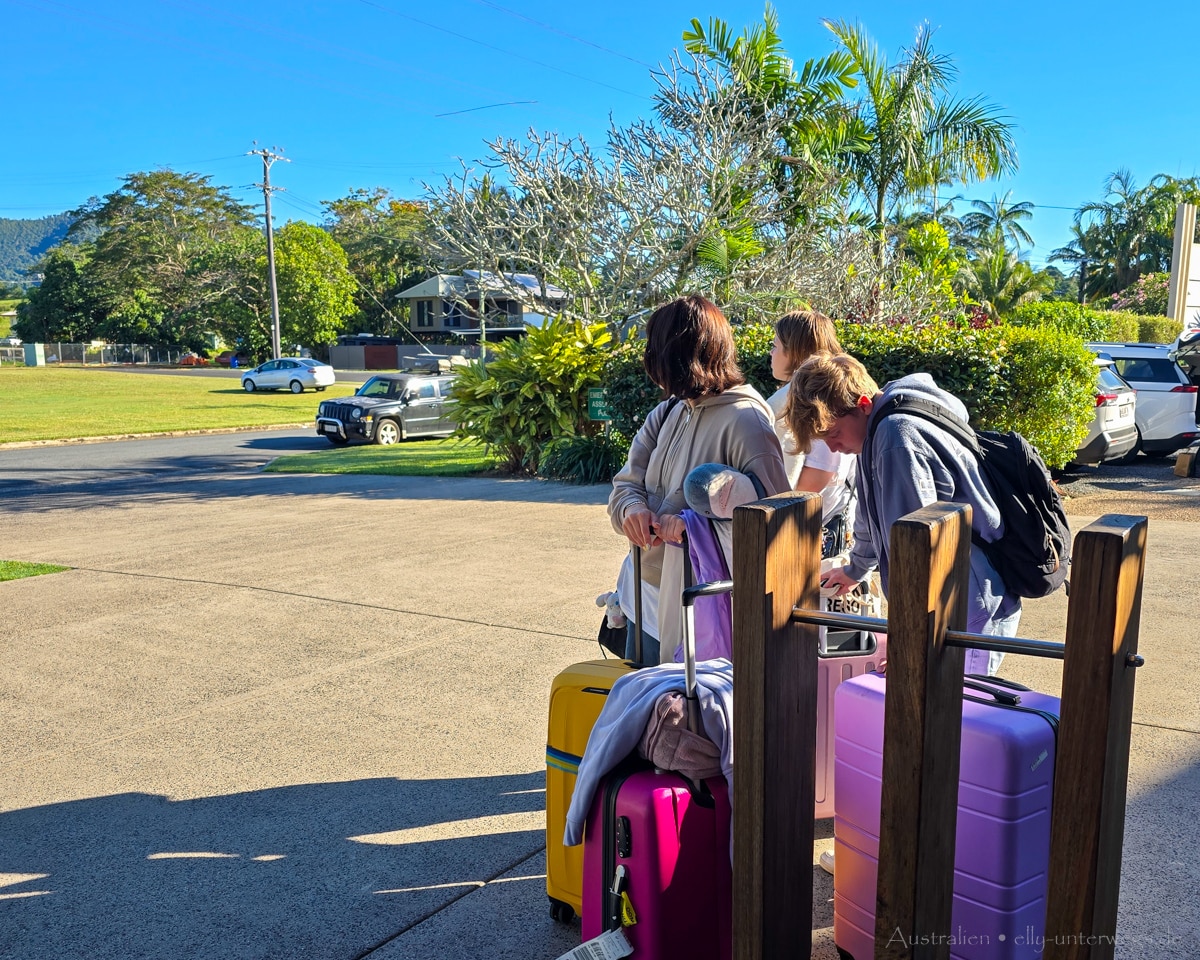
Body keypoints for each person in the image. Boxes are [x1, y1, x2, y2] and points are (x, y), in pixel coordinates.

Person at [785, 352, 1020, 674]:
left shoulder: (896, 438)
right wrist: (856, 568)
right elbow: (874, 516)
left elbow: (916, 550)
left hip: (966, 605)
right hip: (961, 595)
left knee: (955, 715)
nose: (833, 448)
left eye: (834, 434)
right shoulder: (883, 425)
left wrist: (910, 638)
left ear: (863, 404)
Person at [608, 294, 790, 664]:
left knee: (681, 721)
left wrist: (692, 525)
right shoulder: (668, 411)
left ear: (678, 356)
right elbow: (624, 486)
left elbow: (776, 524)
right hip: (640, 596)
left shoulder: (746, 421)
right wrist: (631, 509)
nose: (649, 359)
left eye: (655, 349)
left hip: (701, 614)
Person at [766, 310, 858, 545]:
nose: (771, 353)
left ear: (794, 351)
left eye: (775, 345)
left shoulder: (818, 402)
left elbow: (810, 486)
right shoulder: (800, 398)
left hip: (807, 538)